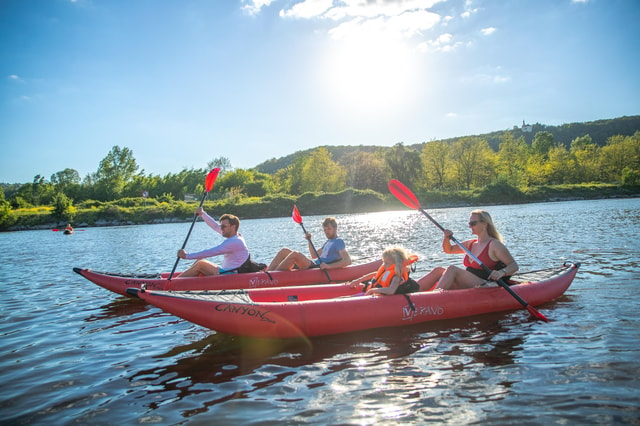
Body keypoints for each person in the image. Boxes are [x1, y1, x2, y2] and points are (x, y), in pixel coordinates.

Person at [417, 210, 518, 291]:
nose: (470, 226)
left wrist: (502, 272)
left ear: (484, 224)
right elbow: (449, 250)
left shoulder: (494, 245)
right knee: (438, 271)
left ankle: (433, 299)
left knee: (452, 269)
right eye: (469, 223)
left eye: (473, 223)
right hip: (471, 281)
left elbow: (514, 265)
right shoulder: (471, 244)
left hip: (485, 283)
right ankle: (410, 291)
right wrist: (446, 238)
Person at [176, 207, 250, 277]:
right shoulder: (235, 236)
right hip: (227, 271)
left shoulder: (235, 241)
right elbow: (215, 226)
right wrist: (202, 214)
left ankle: (174, 282)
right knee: (199, 260)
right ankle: (182, 281)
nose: (221, 228)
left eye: (223, 226)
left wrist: (187, 256)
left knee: (201, 264)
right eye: (221, 226)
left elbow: (211, 252)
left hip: (231, 274)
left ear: (233, 227)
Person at [267, 217, 351, 271]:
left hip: (315, 267)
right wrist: (309, 240)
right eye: (325, 230)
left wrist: (328, 267)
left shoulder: (338, 241)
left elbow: (347, 261)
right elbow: (314, 255)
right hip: (314, 263)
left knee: (295, 254)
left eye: (329, 229)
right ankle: (266, 274)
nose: (326, 232)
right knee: (284, 251)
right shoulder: (328, 242)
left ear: (335, 228)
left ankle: (273, 277)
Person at [349, 246, 419, 295]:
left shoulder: (396, 277)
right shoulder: (387, 271)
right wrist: (359, 280)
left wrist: (373, 290)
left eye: (387, 263)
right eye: (383, 262)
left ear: (396, 263)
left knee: (348, 299)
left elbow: (391, 290)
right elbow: (375, 274)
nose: (384, 265)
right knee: (345, 297)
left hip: (379, 298)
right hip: (373, 295)